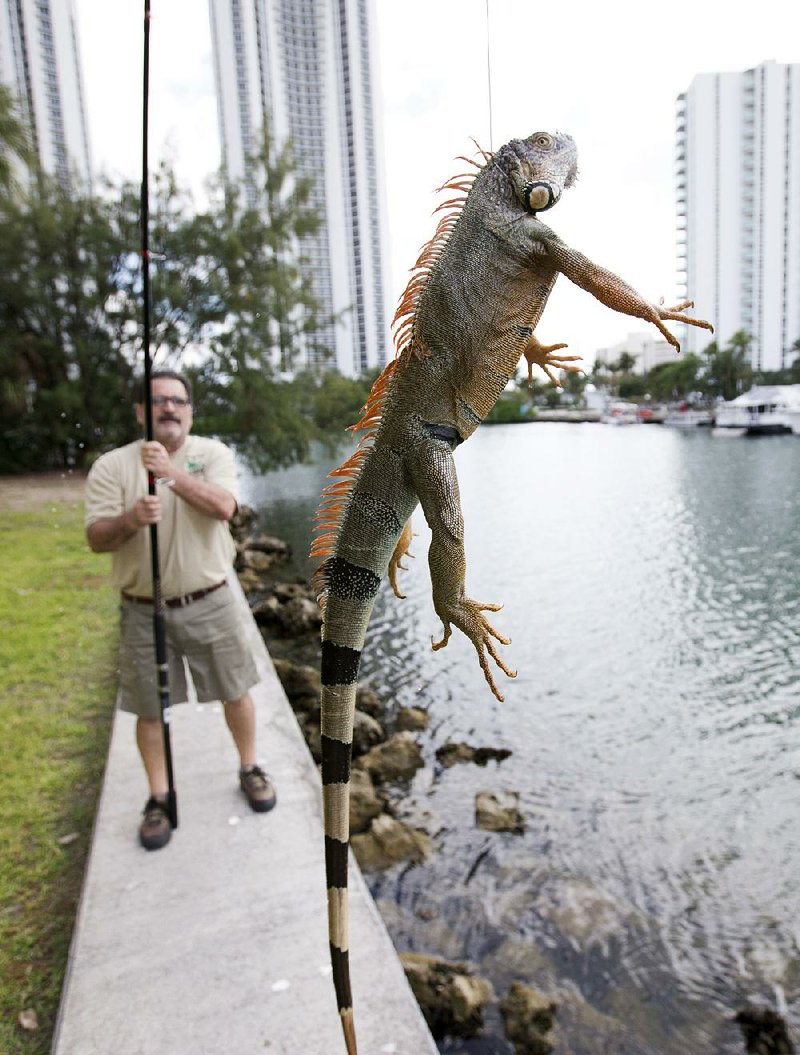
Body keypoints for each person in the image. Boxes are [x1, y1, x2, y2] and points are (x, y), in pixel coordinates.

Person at [84, 369, 276, 850]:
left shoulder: (211, 455)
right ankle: (158, 796)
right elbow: (95, 538)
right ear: (139, 412)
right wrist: (131, 519)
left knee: (236, 690)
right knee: (149, 708)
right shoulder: (112, 466)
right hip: (141, 609)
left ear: (190, 410)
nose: (168, 408)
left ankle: (250, 766)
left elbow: (224, 508)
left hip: (210, 599)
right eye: (157, 401)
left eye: (178, 401)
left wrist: (171, 474)